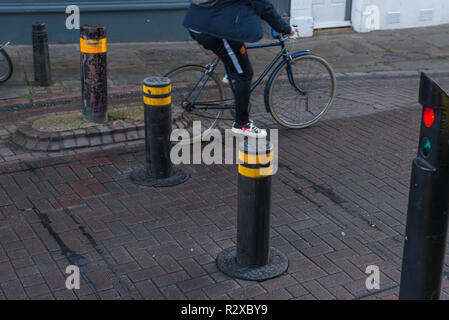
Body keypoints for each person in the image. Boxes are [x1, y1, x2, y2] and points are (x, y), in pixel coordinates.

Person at [183, 0, 296, 138]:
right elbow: (265, 6)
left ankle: (230, 75)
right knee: (244, 73)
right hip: (213, 30)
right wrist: (287, 29)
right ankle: (242, 124)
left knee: (235, 54)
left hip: (197, 22)